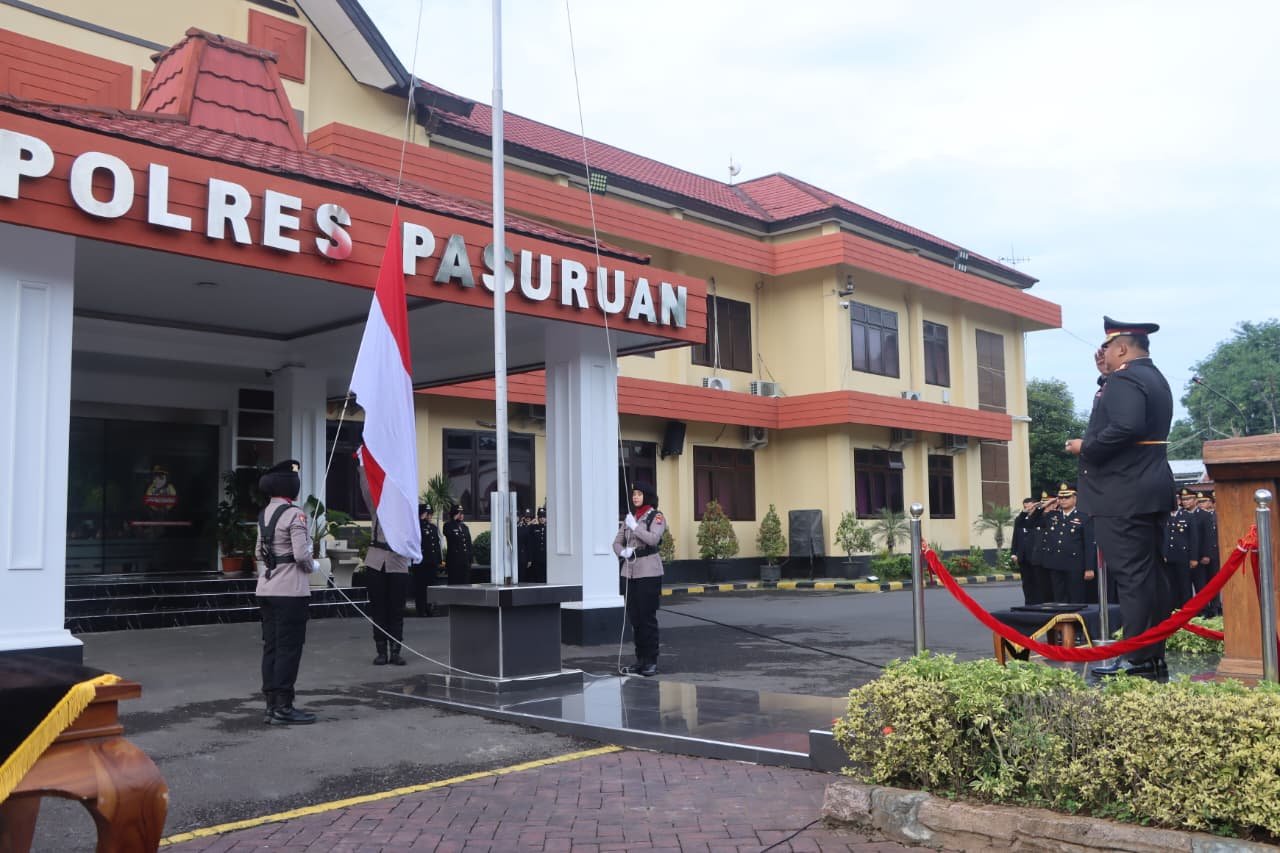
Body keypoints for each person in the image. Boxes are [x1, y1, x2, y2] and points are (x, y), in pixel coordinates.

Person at [1067, 317, 1175, 679]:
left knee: (1132, 578)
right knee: (1148, 576)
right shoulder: (1152, 377)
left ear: (1122, 348)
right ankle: (1150, 655)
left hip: (1122, 493)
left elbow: (1126, 425)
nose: (1104, 355)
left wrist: (1086, 447)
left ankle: (1136, 657)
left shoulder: (1125, 379)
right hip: (1147, 488)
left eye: (1107, 348)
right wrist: (1106, 377)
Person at [254, 459, 317, 725]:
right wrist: (312, 565)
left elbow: (259, 553)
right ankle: (284, 706)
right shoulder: (294, 514)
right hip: (290, 590)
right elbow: (302, 555)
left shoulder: (264, 513)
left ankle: (271, 705)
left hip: (266, 588)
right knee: (289, 649)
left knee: (272, 646)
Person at [612, 482, 666, 676]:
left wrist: (635, 527)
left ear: (647, 496)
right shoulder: (630, 517)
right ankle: (640, 659)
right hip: (630, 571)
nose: (635, 497)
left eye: (639, 494)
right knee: (635, 618)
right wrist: (623, 552)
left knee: (647, 618)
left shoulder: (655, 516)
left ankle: (651, 660)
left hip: (649, 571)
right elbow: (616, 542)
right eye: (634, 494)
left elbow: (653, 539)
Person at [361, 512, 410, 666]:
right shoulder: (377, 507)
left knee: (397, 610)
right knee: (378, 609)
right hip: (376, 562)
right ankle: (381, 651)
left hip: (398, 563)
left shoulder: (405, 510)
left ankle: (395, 651)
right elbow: (367, 495)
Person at [1034, 483, 1096, 604]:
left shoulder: (1084, 518)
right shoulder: (1052, 516)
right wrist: (1047, 504)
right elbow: (1031, 521)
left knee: (1076, 598)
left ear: (1075, 498)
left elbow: (1089, 545)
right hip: (1055, 563)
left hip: (1075, 565)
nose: (1063, 500)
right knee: (1059, 599)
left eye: (1067, 497)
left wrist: (1089, 568)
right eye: (1060, 497)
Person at [1163, 487, 1201, 608]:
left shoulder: (1188, 516)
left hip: (1183, 556)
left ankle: (1186, 609)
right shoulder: (1165, 517)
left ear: (1179, 501)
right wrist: (1163, 553)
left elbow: (1194, 538)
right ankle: (1174, 609)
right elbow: (1163, 537)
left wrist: (1194, 557)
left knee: (1185, 585)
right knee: (1171, 585)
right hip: (1169, 556)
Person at [410, 503, 444, 616]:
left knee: (430, 586)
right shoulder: (417, 526)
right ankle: (421, 609)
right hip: (421, 562)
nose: (430, 516)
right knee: (421, 587)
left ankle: (430, 608)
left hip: (431, 562)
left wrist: (439, 560)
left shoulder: (433, 527)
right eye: (427, 513)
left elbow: (436, 545)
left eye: (430, 514)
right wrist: (420, 519)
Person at [1195, 491, 1221, 616]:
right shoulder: (1197, 516)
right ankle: (1205, 608)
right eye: (1199, 502)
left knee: (1214, 581)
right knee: (1202, 583)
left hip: (1215, 553)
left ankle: (1215, 607)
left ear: (1211, 502)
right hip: (1201, 554)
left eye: (1204, 501)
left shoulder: (1217, 515)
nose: (1201, 504)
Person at [443, 502, 473, 585]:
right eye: (459, 513)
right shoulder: (448, 525)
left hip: (464, 562)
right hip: (454, 562)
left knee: (465, 583)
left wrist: (470, 559)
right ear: (455, 514)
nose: (461, 515)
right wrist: (453, 520)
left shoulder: (464, 527)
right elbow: (448, 534)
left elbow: (469, 544)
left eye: (462, 513)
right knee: (454, 583)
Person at [526, 506, 549, 583]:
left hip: (546, 557)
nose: (542, 519)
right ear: (538, 518)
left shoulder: (549, 528)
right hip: (536, 558)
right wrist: (530, 558)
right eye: (540, 517)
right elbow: (530, 544)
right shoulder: (533, 528)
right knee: (537, 577)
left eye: (544, 517)